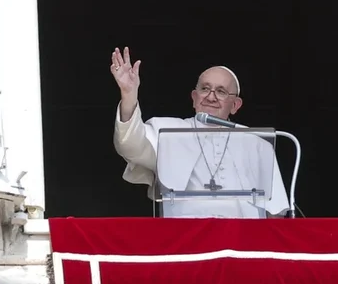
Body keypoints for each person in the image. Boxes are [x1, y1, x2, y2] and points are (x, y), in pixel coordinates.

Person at [110, 47, 290, 219]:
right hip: (186, 240)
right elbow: (130, 145)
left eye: (221, 91)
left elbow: (275, 212)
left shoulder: (257, 143)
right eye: (205, 88)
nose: (211, 97)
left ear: (235, 105)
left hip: (243, 240)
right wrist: (129, 95)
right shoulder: (167, 131)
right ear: (194, 98)